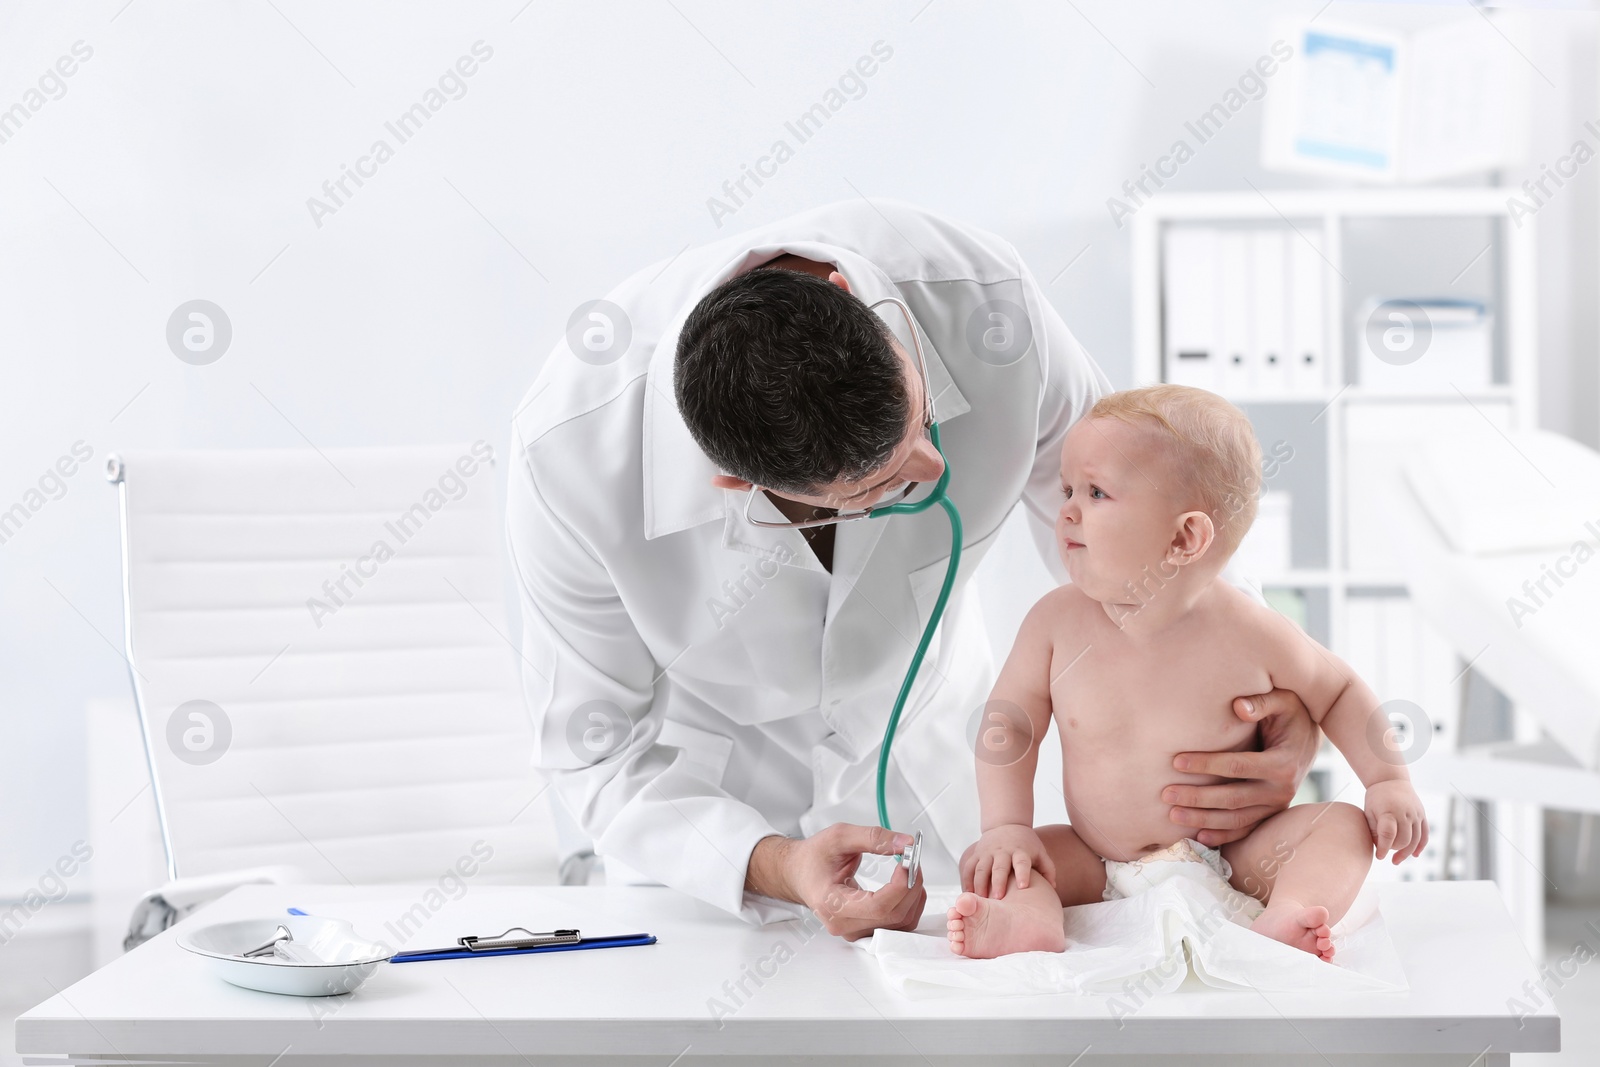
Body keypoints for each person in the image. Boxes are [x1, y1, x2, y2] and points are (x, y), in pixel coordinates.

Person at [506, 199, 1321, 940]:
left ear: (844, 291)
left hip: (946, 779)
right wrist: (774, 862)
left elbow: (1156, 532)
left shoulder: (988, 307)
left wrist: (1247, 711)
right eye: (880, 488)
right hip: (715, 843)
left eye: (922, 419)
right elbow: (595, 753)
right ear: (737, 483)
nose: (932, 467)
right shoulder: (569, 454)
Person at [946, 385, 1428, 960]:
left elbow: (1340, 689)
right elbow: (1010, 726)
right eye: (1067, 489)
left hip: (1240, 859)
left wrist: (1387, 780)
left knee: (1344, 826)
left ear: (1184, 538)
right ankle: (1025, 926)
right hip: (1097, 859)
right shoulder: (1054, 624)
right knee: (1020, 863)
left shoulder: (1252, 631)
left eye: (1096, 492)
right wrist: (1006, 824)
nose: (1066, 509)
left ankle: (1293, 911)